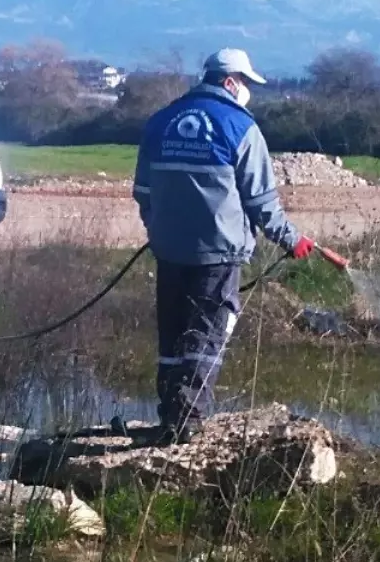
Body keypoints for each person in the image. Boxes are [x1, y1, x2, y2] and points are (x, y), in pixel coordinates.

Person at [133, 48, 315, 443]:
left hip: (168, 250)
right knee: (208, 333)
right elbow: (262, 203)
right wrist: (292, 240)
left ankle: (169, 414)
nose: (247, 90)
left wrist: (159, 229)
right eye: (245, 83)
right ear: (230, 81)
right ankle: (185, 422)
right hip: (218, 253)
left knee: (174, 333)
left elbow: (143, 191)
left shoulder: (161, 122)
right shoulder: (240, 127)